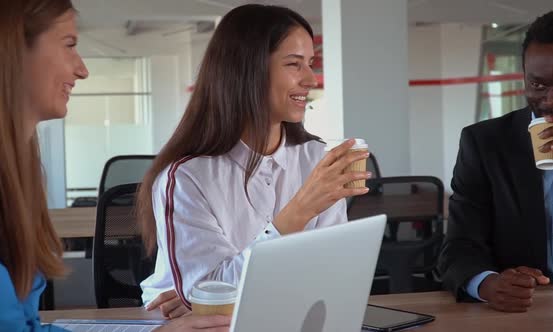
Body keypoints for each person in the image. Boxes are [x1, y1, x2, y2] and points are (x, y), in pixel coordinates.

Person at [0, 1, 229, 331]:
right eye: (69, 45)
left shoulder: (20, 173)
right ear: (13, 49)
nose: (82, 70)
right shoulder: (186, 176)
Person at [138, 4, 370, 318]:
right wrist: (299, 211)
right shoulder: (186, 177)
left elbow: (332, 276)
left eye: (310, 64)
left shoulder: (316, 158)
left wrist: (221, 295)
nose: (311, 80)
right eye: (293, 64)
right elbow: (206, 295)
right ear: (247, 69)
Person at [437, 8, 553, 313]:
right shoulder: (483, 143)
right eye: (537, 85)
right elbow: (458, 247)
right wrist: (486, 284)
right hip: (520, 316)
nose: (550, 100)